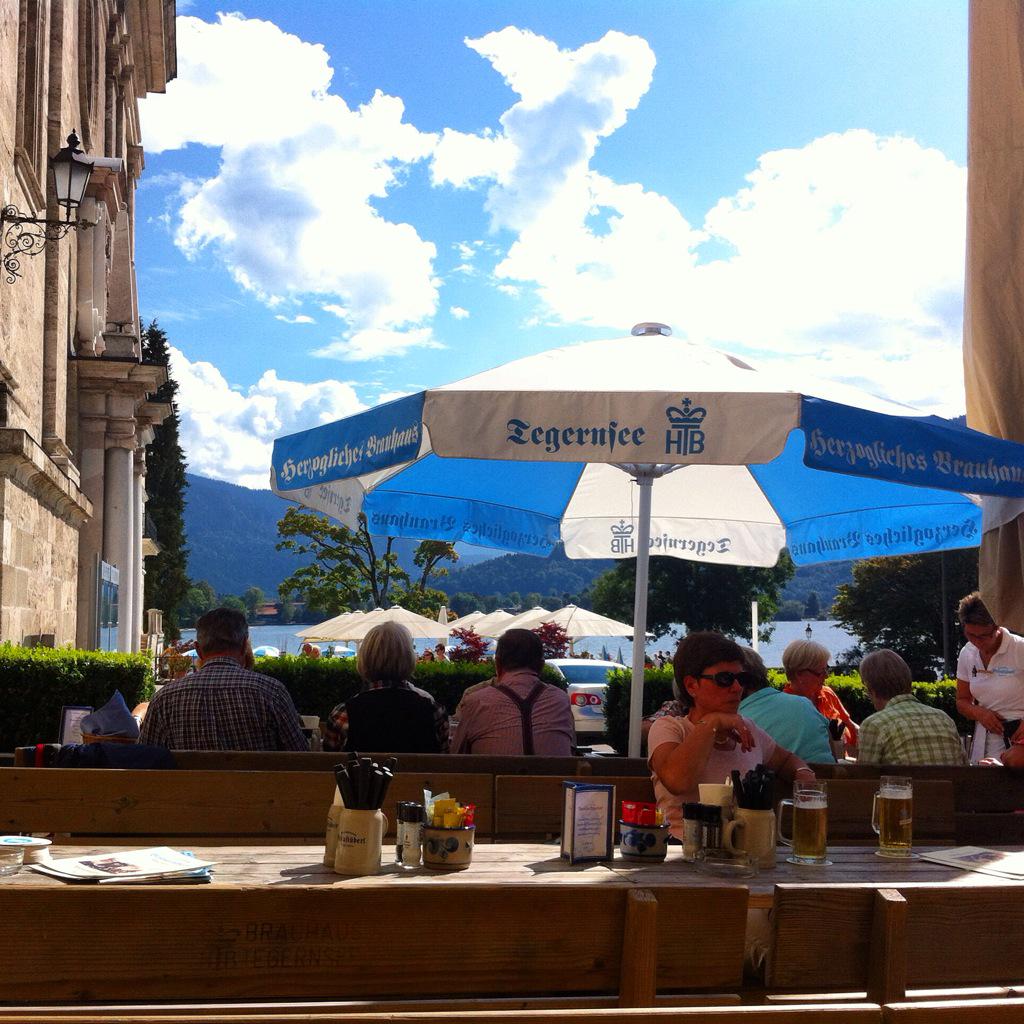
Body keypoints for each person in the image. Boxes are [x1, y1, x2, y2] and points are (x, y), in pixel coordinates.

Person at [648, 631, 814, 839]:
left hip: (746, 855)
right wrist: (712, 722)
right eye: (724, 679)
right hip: (683, 856)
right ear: (691, 685)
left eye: (741, 678)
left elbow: (787, 760)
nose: (737, 688)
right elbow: (677, 781)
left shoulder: (749, 729)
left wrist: (804, 774)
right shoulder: (670, 729)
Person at [140, 608, 307, 751]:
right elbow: (301, 755)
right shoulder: (271, 692)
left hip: (190, 789)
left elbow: (144, 759)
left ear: (198, 650)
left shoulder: (164, 699)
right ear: (244, 646)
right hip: (256, 789)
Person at [322, 621, 449, 753]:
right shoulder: (434, 711)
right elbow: (443, 764)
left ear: (364, 659)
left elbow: (330, 766)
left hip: (365, 774)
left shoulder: (343, 714)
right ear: (409, 658)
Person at [451, 628, 574, 755]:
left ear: (498, 664)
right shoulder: (561, 700)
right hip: (554, 774)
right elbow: (572, 750)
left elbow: (457, 756)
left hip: (494, 774)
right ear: (541, 665)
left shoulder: (476, 701)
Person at [858, 649, 967, 765]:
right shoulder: (944, 718)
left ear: (872, 690)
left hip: (905, 783)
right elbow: (965, 766)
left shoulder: (875, 724)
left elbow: (864, 777)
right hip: (950, 782)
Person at [955, 591, 1024, 761]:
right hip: (983, 740)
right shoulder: (967, 652)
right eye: (971, 635)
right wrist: (979, 713)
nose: (977, 642)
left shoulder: (1020, 649)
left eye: (985, 636)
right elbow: (961, 700)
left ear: (998, 627)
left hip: (1019, 743)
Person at [737, 648, 835, 764]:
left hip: (790, 779)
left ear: (739, 681)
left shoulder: (740, 721)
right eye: (820, 672)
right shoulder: (804, 704)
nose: (826, 677)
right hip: (825, 779)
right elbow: (832, 752)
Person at [782, 639, 858, 755]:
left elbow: (851, 726)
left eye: (826, 669)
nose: (826, 676)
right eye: (820, 672)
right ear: (799, 674)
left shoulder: (827, 694)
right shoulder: (786, 705)